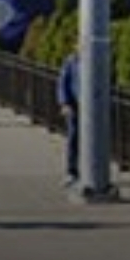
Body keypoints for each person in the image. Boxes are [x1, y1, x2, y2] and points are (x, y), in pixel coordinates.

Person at [57, 50, 80, 187]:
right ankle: (72, 171)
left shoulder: (100, 57)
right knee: (73, 138)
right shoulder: (72, 60)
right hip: (75, 105)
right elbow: (63, 82)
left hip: (92, 106)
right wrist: (65, 103)